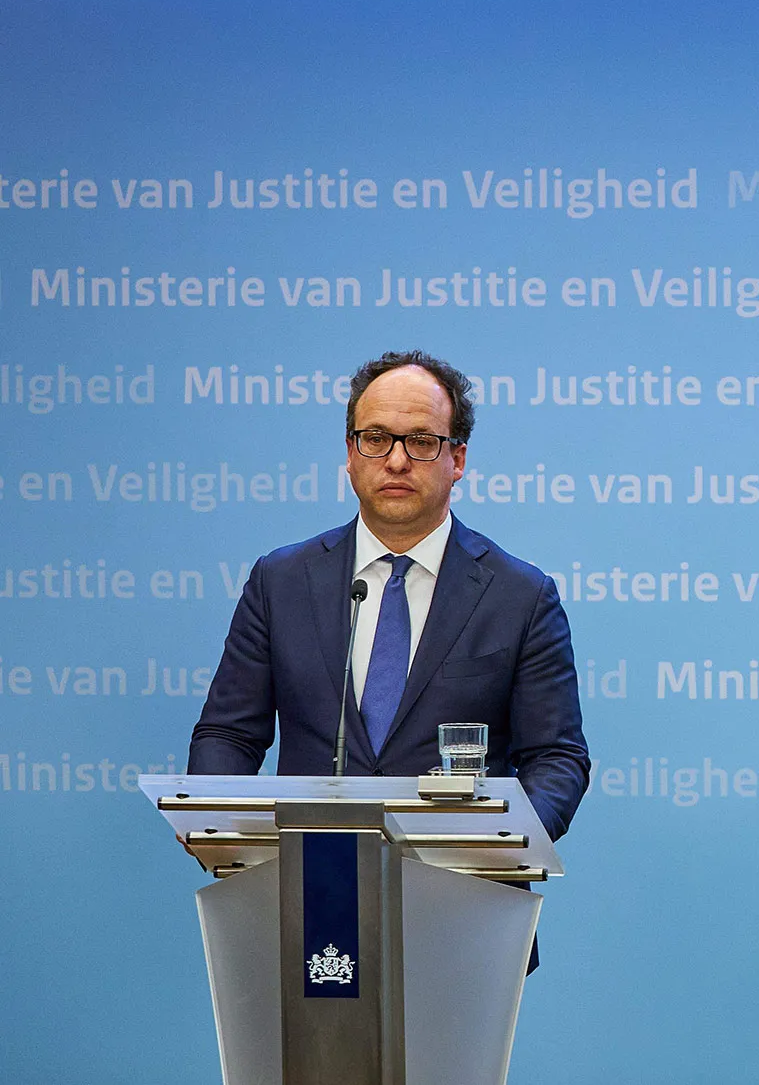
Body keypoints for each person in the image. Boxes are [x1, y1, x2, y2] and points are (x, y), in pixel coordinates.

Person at [190, 350, 590, 843]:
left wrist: (502, 840)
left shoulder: (520, 596)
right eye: (376, 439)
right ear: (351, 453)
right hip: (311, 873)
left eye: (421, 442)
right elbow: (229, 734)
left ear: (458, 459)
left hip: (464, 878)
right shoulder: (281, 582)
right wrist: (215, 820)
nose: (396, 461)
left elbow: (556, 758)